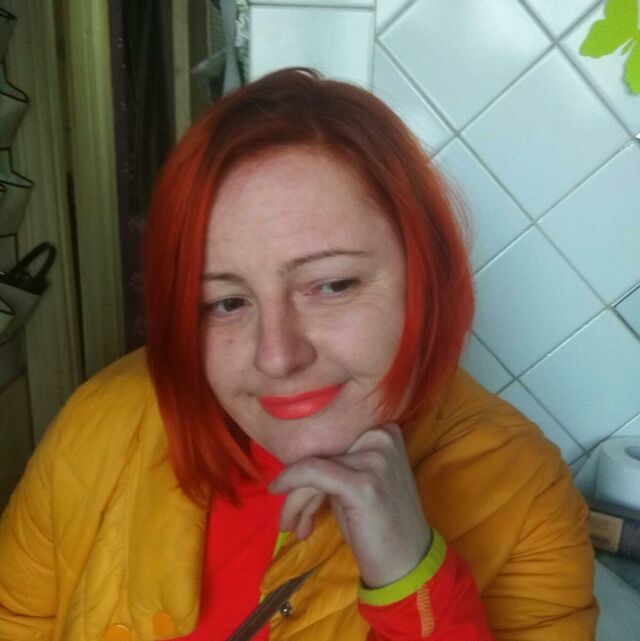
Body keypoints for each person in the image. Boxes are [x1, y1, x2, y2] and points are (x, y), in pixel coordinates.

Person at [0, 68, 596, 641]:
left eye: (332, 285)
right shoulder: (105, 419)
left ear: (427, 276)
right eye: (226, 303)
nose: (277, 357)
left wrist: (410, 579)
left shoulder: (523, 493)